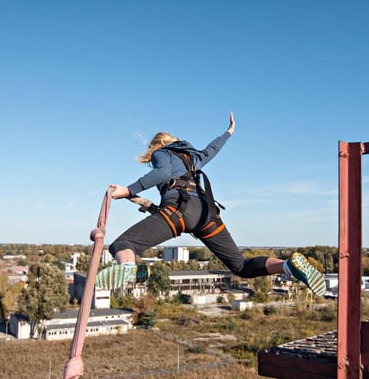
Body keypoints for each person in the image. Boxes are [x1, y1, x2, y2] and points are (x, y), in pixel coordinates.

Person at [95, 112, 326, 297]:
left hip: (179, 212)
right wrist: (228, 132)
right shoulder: (193, 157)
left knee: (122, 244)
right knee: (241, 267)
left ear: (158, 145)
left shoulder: (162, 153)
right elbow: (212, 149)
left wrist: (128, 189)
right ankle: (288, 266)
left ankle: (127, 269)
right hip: (207, 215)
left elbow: (162, 172)